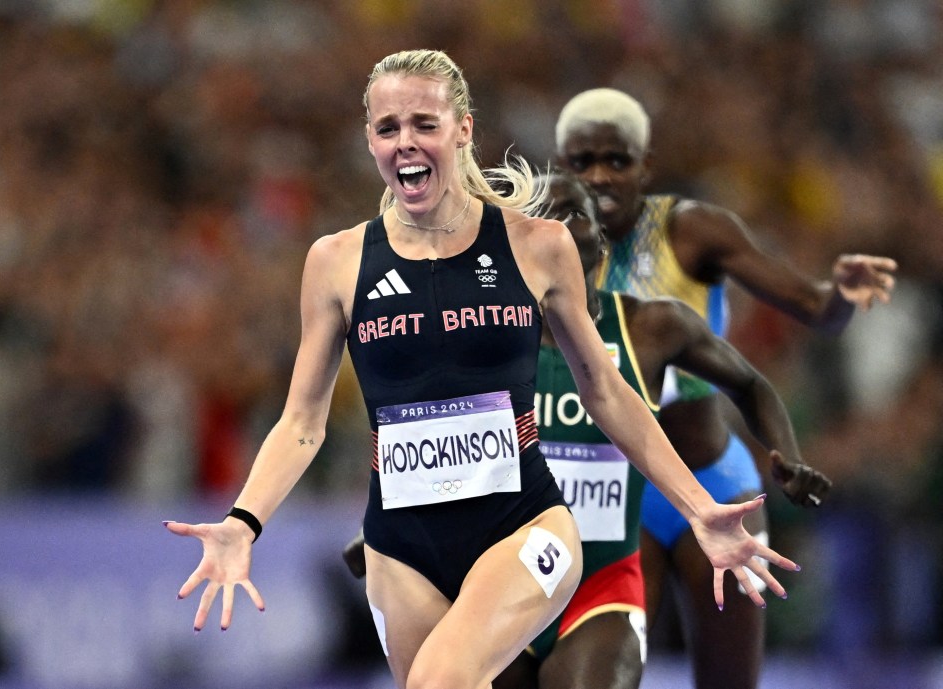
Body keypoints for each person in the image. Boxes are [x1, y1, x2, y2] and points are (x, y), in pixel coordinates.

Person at [165, 51, 799, 689]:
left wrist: (698, 508)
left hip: (523, 529)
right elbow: (302, 422)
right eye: (388, 128)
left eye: (424, 123)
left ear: (463, 129)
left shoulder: (537, 245)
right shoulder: (335, 262)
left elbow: (605, 390)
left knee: (439, 682)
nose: (406, 142)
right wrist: (244, 521)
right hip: (400, 549)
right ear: (370, 140)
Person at [344, 171, 832, 689]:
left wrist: (787, 454)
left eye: (576, 215)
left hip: (602, 587)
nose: (561, 228)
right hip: (499, 581)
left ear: (599, 239)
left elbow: (749, 384)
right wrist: (381, 524)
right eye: (547, 218)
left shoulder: (651, 329)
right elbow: (431, 442)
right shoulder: (486, 339)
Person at [553, 88, 896, 689]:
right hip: (619, 498)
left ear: (645, 165)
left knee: (730, 680)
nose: (600, 177)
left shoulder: (692, 232)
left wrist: (840, 293)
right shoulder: (550, 250)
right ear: (560, 167)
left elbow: (813, 308)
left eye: (617, 159)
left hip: (717, 481)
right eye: (582, 163)